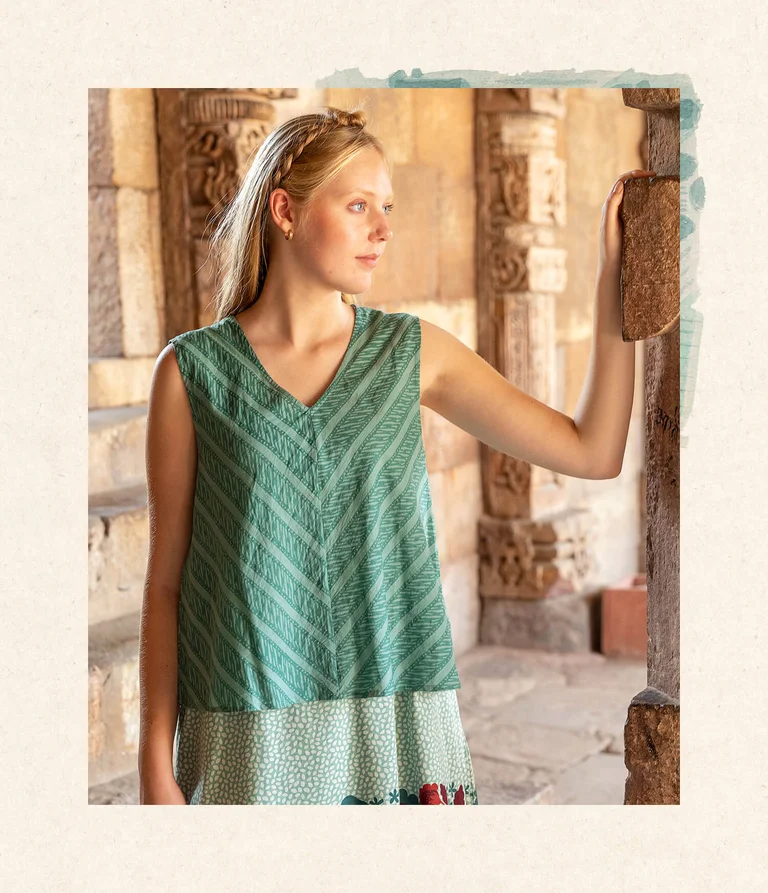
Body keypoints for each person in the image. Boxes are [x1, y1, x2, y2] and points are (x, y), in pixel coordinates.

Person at [138, 104, 654, 805]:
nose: (383, 229)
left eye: (386, 206)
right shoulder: (191, 374)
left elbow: (592, 451)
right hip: (247, 733)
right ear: (284, 211)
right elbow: (165, 585)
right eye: (358, 206)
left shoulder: (412, 354)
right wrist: (153, 767)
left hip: (395, 722)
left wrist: (612, 287)